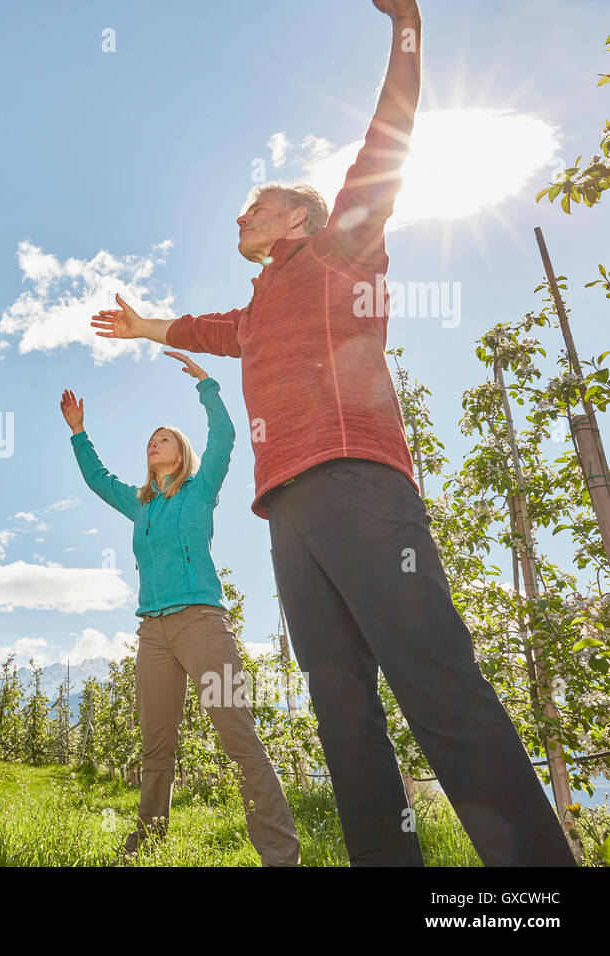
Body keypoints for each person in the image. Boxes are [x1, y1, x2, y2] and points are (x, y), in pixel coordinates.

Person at [89, 0, 575, 865]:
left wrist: (407, 27)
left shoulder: (343, 248)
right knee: (341, 705)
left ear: (300, 218)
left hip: (359, 485)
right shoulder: (259, 305)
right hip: (287, 517)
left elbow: (390, 134)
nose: (239, 217)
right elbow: (210, 329)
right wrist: (148, 327)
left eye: (255, 206)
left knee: (433, 677)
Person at [61, 351, 300, 865]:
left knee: (237, 734)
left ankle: (279, 854)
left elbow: (226, 439)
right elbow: (100, 481)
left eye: (163, 438)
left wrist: (208, 386)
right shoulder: (141, 503)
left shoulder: (200, 490)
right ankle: (148, 843)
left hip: (203, 625)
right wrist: (79, 432)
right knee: (156, 747)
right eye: (150, 440)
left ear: (181, 452)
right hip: (153, 633)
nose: (153, 443)